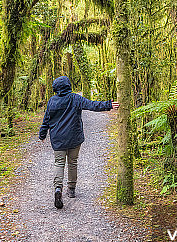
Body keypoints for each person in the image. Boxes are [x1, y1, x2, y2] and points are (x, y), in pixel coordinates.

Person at [39, 75, 118, 209]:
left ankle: (58, 189)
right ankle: (71, 189)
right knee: (72, 162)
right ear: (68, 86)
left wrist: (42, 134)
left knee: (59, 163)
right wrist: (108, 105)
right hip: (74, 137)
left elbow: (46, 119)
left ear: (55, 88)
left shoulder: (52, 101)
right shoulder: (75, 98)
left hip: (58, 139)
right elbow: (92, 105)